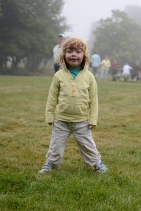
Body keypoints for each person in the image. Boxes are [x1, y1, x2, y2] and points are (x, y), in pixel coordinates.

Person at [39, 37, 108, 174]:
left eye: (78, 51)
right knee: (55, 145)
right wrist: (49, 115)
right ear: (63, 54)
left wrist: (93, 119)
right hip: (61, 120)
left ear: (84, 55)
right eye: (70, 51)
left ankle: (96, 164)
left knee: (88, 146)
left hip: (82, 121)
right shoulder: (58, 75)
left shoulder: (89, 76)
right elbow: (52, 97)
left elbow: (94, 100)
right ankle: (51, 164)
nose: (74, 55)